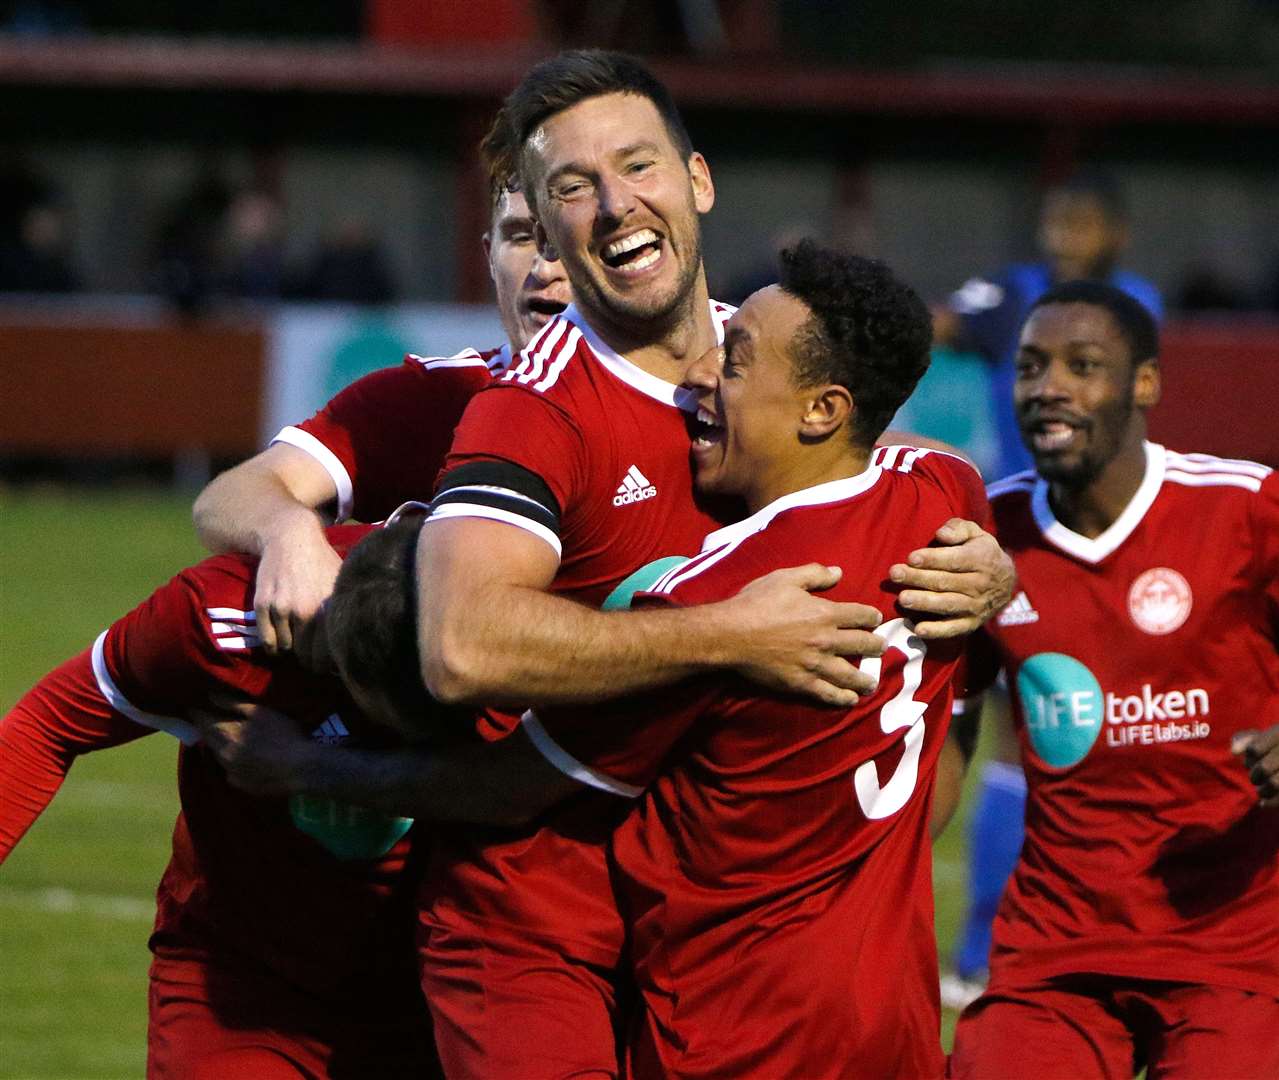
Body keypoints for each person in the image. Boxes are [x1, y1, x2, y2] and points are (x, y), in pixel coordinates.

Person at [210, 241, 988, 1077]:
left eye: (735, 362)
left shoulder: (721, 599)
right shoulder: (940, 503)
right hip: (894, 1023)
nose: (700, 378)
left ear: (821, 410)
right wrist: (998, 573)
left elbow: (508, 782)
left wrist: (306, 766)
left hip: (741, 1034)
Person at [411, 49, 1013, 1077]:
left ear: (697, 181)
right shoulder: (530, 412)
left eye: (636, 166)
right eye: (571, 187)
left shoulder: (777, 360)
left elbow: (906, 485)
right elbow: (461, 644)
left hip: (728, 942)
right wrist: (730, 636)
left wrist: (990, 580)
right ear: (542, 228)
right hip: (534, 921)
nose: (612, 206)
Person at [948, 281, 1279, 1079]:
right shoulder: (987, 536)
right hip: (1054, 946)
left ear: (1143, 384)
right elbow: (952, 718)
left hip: (1225, 943)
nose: (1049, 387)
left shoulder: (1241, 509)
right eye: (1030, 368)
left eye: (1082, 366)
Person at [0, 525, 444, 1080]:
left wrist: (307, 765)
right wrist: (288, 527)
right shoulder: (222, 620)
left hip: (445, 983)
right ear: (334, 650)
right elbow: (50, 723)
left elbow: (536, 783)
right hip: (243, 985)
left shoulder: (524, 606)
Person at [192, 119, 572, 658]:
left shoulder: (700, 388)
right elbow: (226, 498)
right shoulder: (439, 394)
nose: (541, 267)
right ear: (488, 253)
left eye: (559, 238)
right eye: (519, 237)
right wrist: (291, 532)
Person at [928, 169, 1164, 1002]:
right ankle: (981, 946)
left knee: (1115, 733)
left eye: (1083, 221)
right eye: (1057, 219)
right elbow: (935, 325)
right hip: (1018, 535)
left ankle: (1095, 929)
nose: (1066, 234)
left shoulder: (1132, 302)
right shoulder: (1012, 293)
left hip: (1112, 534)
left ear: (1115, 232)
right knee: (1011, 738)